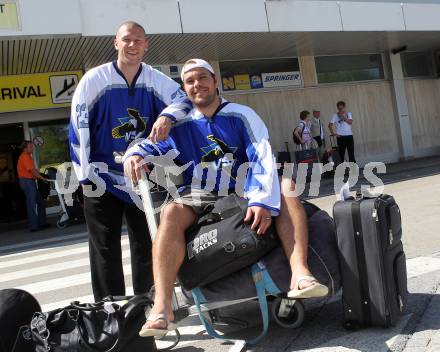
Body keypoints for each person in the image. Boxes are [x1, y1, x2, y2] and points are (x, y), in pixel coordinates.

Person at [123, 59, 328, 337]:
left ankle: (300, 274)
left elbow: (262, 158)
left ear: (215, 80)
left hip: (242, 186)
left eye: (202, 78)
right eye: (190, 81)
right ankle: (163, 307)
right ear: (184, 88)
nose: (198, 85)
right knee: (170, 213)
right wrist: (134, 154)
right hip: (203, 192)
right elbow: (148, 144)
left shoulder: (241, 114)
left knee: (286, 185)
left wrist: (259, 201)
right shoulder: (179, 124)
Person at [68, 21, 189, 301]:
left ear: (146, 44)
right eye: (126, 40)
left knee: (148, 242)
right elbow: (78, 127)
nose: (132, 45)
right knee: (104, 248)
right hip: (101, 176)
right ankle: (110, 312)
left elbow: (184, 102)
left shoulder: (156, 79)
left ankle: (148, 305)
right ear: (116, 43)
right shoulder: (94, 80)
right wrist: (85, 175)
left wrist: (166, 115)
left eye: (138, 40)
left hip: (141, 175)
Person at [17, 141, 49, 232]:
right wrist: (42, 178)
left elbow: (34, 170)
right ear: (25, 148)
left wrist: (40, 176)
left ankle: (42, 223)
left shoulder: (28, 156)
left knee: (40, 202)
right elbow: (31, 171)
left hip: (29, 182)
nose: (32, 148)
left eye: (32, 147)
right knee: (31, 204)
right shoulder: (25, 157)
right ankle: (33, 226)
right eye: (30, 147)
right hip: (27, 182)